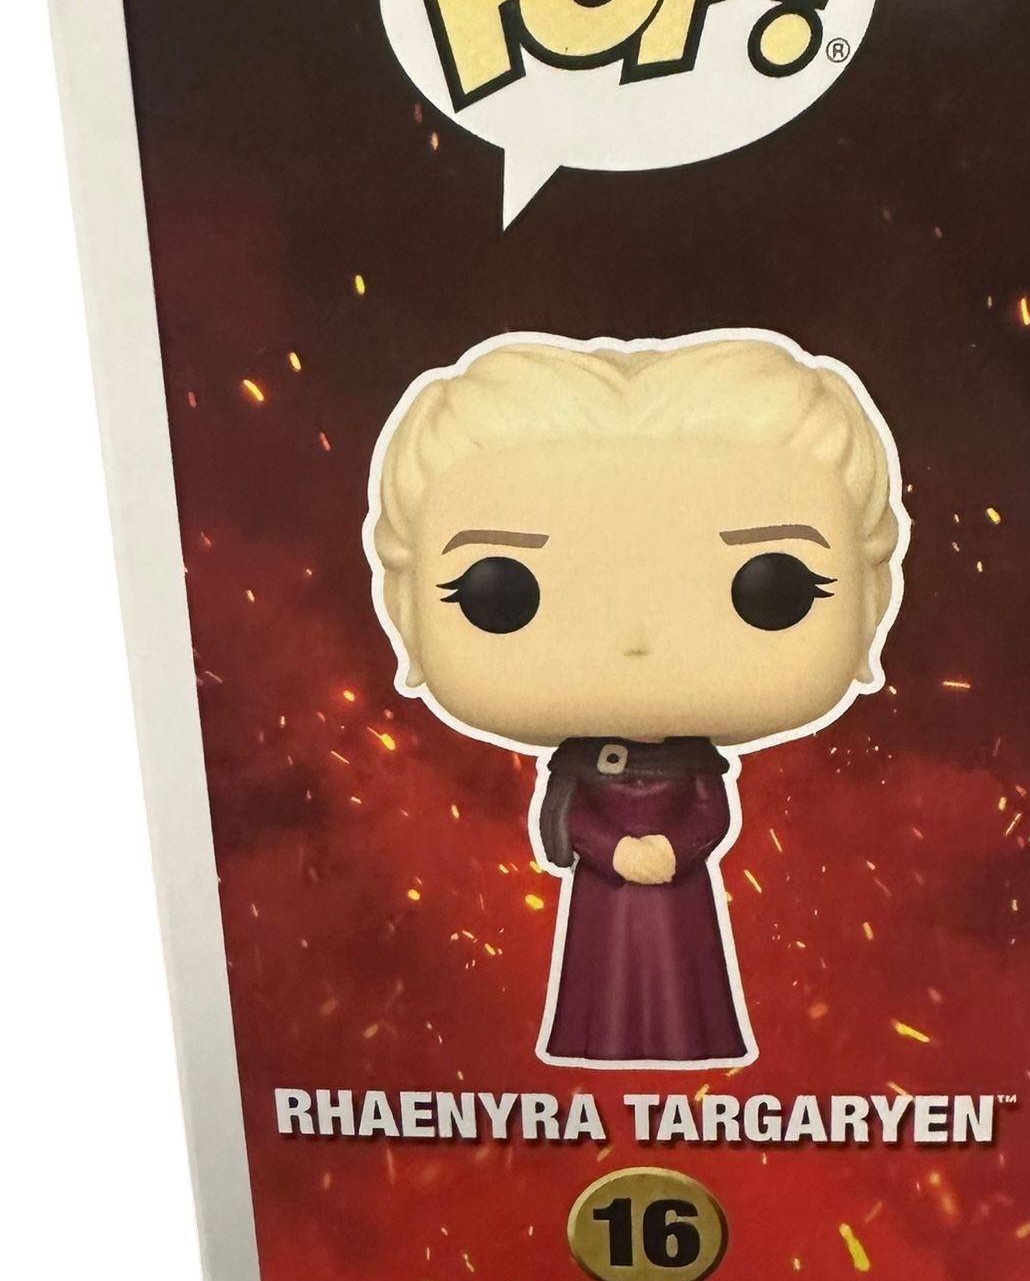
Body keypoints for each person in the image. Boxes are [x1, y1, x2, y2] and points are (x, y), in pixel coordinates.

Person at [366, 331, 906, 1066]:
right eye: (500, 593)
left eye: (773, 589)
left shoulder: (696, 769)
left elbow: (711, 813)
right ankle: (601, 1041)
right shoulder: (581, 769)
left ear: (873, 593)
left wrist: (674, 848)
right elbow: (572, 816)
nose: (637, 639)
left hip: (674, 881)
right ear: (404, 603)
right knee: (604, 978)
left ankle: (686, 1041)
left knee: (683, 977)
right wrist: (614, 848)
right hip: (609, 881)